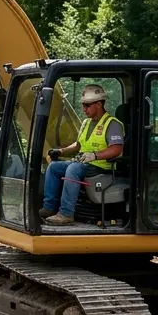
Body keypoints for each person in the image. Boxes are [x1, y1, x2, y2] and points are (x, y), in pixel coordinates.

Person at [41, 84, 125, 226]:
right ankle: (49, 207)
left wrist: (94, 155)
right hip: (83, 163)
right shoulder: (86, 122)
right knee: (54, 167)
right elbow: (78, 144)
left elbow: (117, 149)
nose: (83, 108)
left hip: (101, 166)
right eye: (83, 105)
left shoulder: (113, 124)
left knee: (73, 169)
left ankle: (66, 214)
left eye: (87, 105)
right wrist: (61, 151)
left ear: (98, 104)